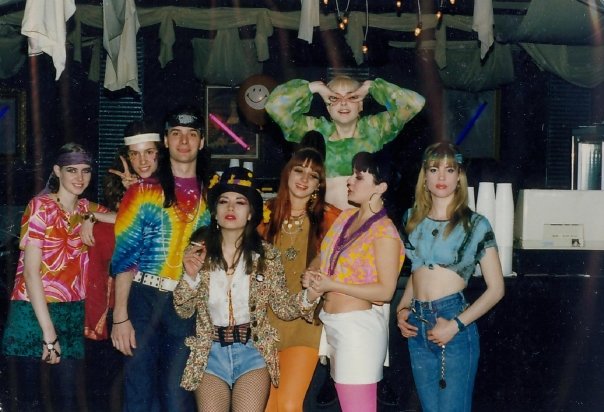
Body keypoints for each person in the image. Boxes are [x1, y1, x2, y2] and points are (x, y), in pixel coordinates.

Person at [173, 166, 321, 412]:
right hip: (210, 354)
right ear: (215, 212)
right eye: (224, 201)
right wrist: (190, 277)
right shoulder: (198, 253)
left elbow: (283, 308)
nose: (231, 208)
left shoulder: (267, 256)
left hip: (252, 352)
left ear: (251, 213)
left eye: (240, 202)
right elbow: (183, 309)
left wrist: (310, 296)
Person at [110, 107, 211, 412]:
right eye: (176, 134)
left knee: (176, 397)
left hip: (186, 302)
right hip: (143, 298)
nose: (184, 141)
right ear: (166, 141)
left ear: (202, 142)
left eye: (192, 134)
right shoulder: (142, 191)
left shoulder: (214, 196)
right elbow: (124, 258)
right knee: (138, 393)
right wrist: (120, 317)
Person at [396, 142, 505, 412]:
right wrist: (402, 309)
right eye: (434, 169)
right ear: (425, 177)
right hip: (417, 325)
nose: (441, 176)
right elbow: (418, 272)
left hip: (453, 322)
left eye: (449, 169)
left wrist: (455, 325)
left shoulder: (475, 224)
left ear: (459, 177)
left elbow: (496, 289)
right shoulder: (412, 219)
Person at [1, 143, 109, 411]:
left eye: (85, 171)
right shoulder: (41, 206)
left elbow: (128, 218)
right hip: (32, 312)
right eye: (72, 170)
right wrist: (48, 332)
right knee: (28, 404)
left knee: (67, 402)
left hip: (71, 313)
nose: (80, 177)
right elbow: (30, 273)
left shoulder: (85, 207)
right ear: (57, 171)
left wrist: (92, 216)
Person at [304, 151, 404, 412]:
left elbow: (385, 291)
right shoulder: (346, 217)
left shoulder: (384, 232)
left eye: (359, 177)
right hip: (334, 326)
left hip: (358, 332)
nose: (349, 180)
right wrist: (313, 270)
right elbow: (323, 255)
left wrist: (332, 285)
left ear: (380, 187)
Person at [259, 146, 340, 412]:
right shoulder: (263, 214)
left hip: (304, 324)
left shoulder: (330, 218)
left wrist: (320, 262)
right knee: (267, 405)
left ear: (319, 184)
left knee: (290, 403)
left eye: (313, 175)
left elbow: (346, 255)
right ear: (287, 173)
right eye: (299, 170)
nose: (304, 179)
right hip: (264, 326)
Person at [265, 75, 425, 210]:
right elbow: (274, 107)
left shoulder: (375, 128)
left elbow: (414, 103)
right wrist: (316, 87)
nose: (343, 103)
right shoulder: (314, 130)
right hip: (325, 224)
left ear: (361, 105)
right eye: (334, 98)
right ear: (328, 108)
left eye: (352, 97)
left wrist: (371, 87)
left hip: (364, 225)